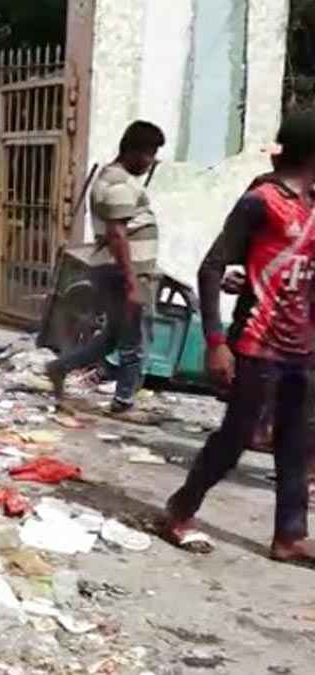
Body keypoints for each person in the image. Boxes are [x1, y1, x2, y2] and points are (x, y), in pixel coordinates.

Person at [163, 113, 315, 564]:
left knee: (297, 442)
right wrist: (215, 340)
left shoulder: (312, 205)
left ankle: (290, 536)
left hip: (302, 348)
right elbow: (212, 267)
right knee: (237, 436)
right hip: (255, 342)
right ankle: (180, 509)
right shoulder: (262, 202)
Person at [46, 120, 165, 414]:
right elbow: (117, 233)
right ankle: (124, 402)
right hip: (126, 272)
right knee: (136, 338)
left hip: (115, 270)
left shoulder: (111, 179)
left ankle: (60, 367)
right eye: (150, 155)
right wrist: (133, 282)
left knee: (113, 336)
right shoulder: (119, 184)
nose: (150, 163)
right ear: (136, 151)